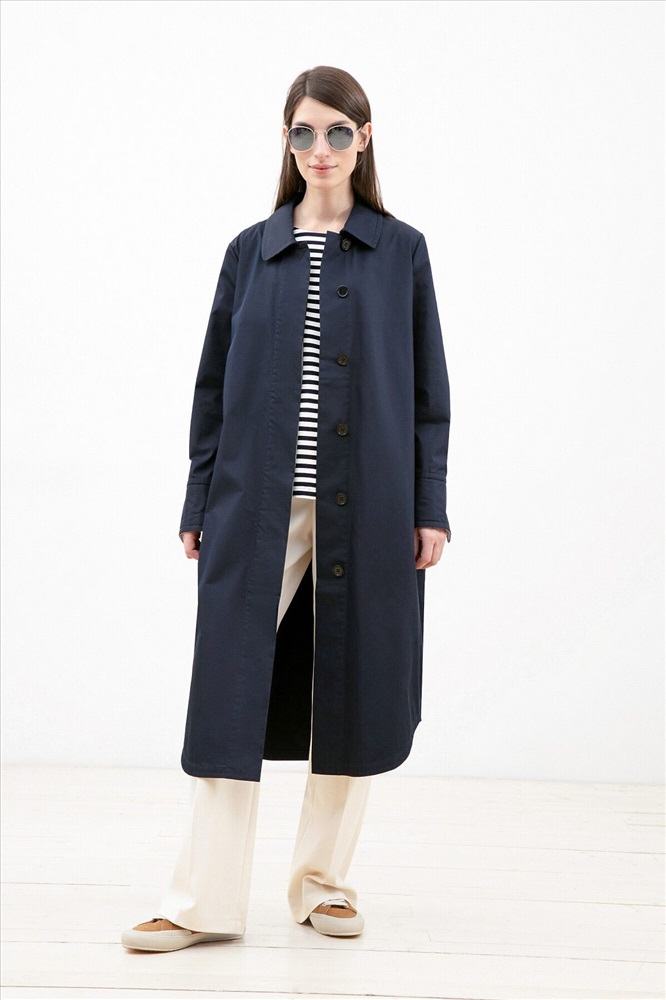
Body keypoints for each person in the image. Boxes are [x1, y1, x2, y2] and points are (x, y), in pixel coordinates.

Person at [121, 65, 452, 953]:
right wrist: (199, 496)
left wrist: (429, 506)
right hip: (256, 506)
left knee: (355, 686)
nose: (321, 150)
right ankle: (202, 903)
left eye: (338, 132)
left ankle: (324, 885)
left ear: (364, 138)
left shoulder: (401, 251)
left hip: (370, 508)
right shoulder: (251, 251)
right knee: (227, 694)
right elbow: (211, 387)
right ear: (286, 140)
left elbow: (428, 395)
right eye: (304, 133)